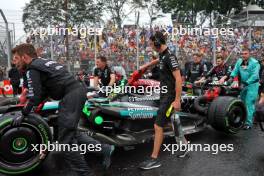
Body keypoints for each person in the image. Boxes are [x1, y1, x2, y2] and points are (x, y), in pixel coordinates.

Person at [11, 44, 114, 176]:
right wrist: (33, 107)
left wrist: (23, 113)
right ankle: (105, 149)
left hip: (71, 95)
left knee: (66, 141)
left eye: (16, 58)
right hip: (74, 93)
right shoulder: (42, 62)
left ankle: (85, 173)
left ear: (24, 57)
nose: (14, 62)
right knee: (71, 132)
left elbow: (34, 96)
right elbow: (44, 92)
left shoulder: (32, 69)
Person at [138, 31, 188, 170]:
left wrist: (177, 100)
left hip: (170, 96)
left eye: (151, 43)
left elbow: (178, 79)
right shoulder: (163, 55)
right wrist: (147, 65)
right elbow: (159, 60)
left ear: (157, 43)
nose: (150, 46)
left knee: (158, 126)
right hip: (164, 94)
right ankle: (185, 146)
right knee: (174, 121)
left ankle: (154, 159)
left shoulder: (170, 57)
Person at [228, 47, 260, 130]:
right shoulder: (239, 61)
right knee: (242, 102)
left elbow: (255, 75)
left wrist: (246, 83)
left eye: (245, 53)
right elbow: (235, 70)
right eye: (242, 54)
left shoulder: (255, 63)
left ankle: (248, 123)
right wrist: (231, 77)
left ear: (249, 54)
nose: (243, 55)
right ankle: (244, 118)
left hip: (252, 85)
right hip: (243, 84)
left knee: (249, 103)